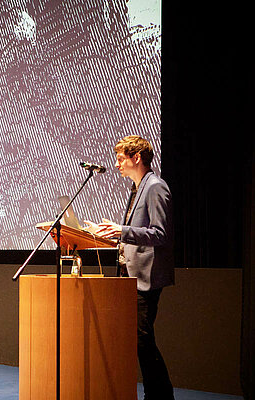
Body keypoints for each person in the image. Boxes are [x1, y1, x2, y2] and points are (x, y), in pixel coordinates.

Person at [86, 135, 175, 400]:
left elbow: (161, 234)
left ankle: (160, 396)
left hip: (145, 278)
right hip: (130, 276)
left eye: (121, 159)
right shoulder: (138, 188)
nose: (117, 165)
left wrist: (122, 230)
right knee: (139, 342)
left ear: (137, 158)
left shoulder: (156, 187)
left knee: (142, 341)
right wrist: (110, 234)